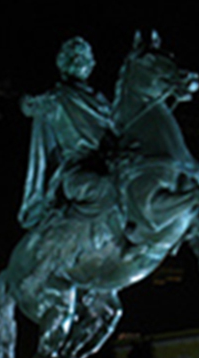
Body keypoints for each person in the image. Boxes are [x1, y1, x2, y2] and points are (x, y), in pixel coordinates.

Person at [17, 36, 118, 230]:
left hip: (109, 164)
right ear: (63, 63)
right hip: (78, 169)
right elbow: (28, 107)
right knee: (108, 188)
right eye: (74, 56)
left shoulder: (103, 102)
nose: (80, 61)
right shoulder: (58, 97)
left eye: (84, 56)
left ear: (91, 64)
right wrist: (30, 100)